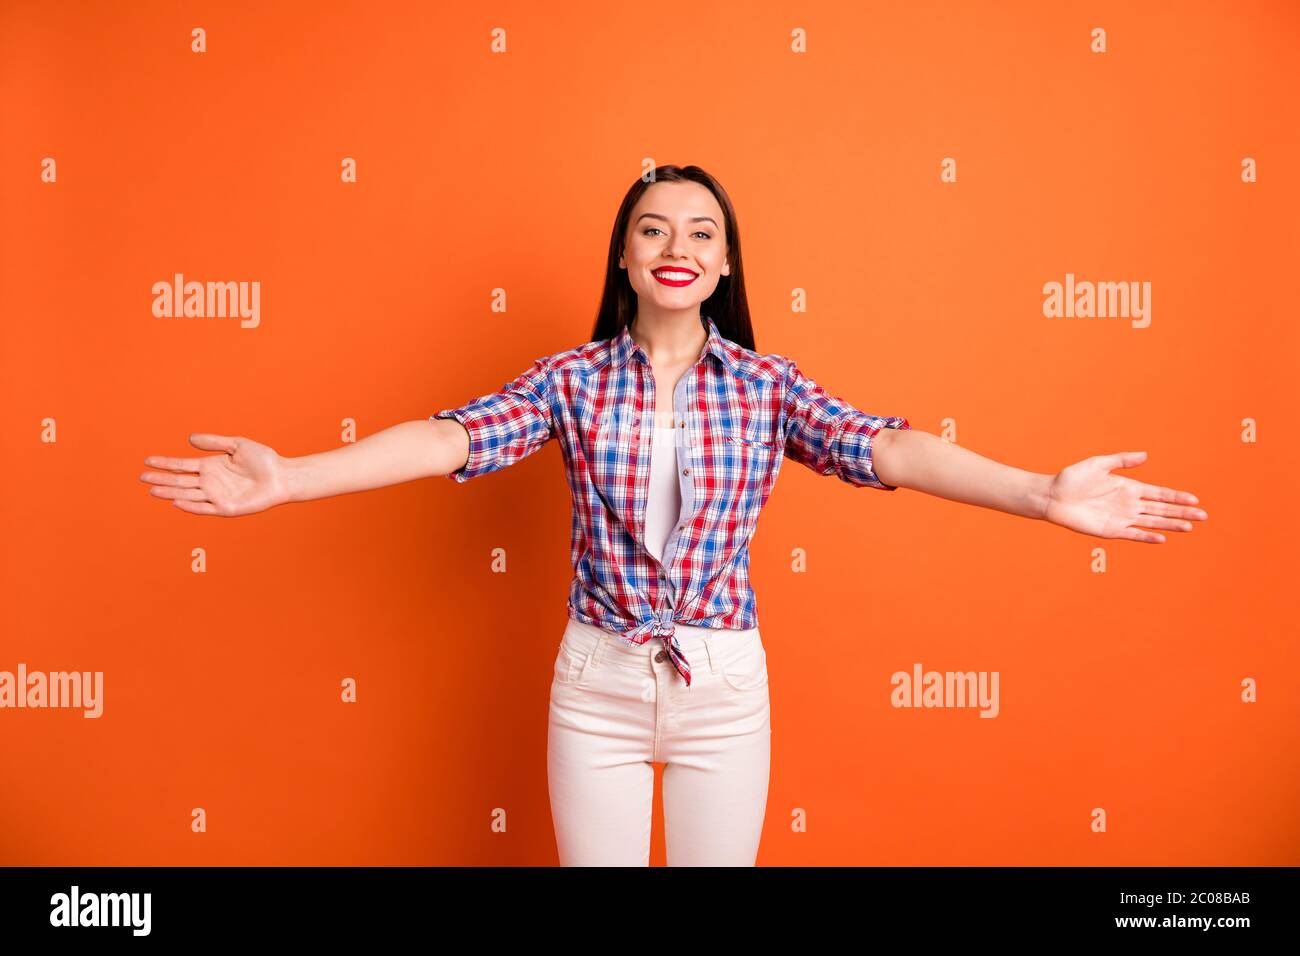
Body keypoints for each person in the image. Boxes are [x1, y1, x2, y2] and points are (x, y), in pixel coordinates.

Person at [139, 164, 1208, 866]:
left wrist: (1039, 491)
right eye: (653, 226)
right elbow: (449, 438)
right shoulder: (567, 378)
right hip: (594, 685)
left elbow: (887, 447)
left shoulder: (765, 384)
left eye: (700, 229)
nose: (675, 242)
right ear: (625, 255)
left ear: (724, 262)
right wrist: (291, 475)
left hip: (724, 688)